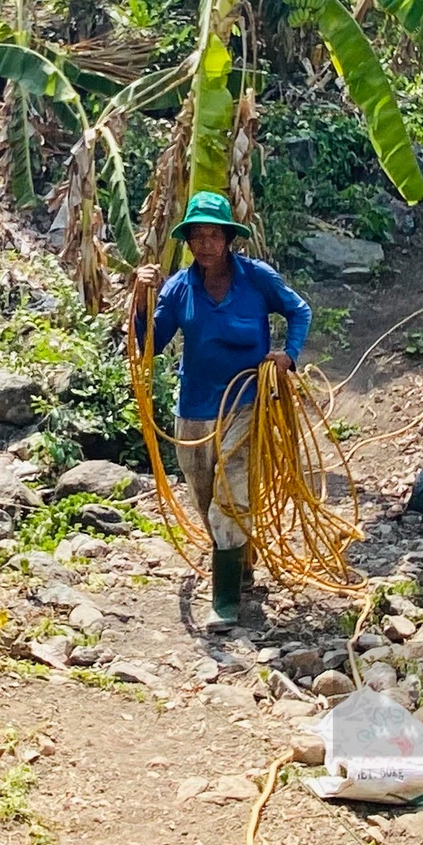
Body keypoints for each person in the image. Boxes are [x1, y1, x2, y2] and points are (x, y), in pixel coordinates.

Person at [134, 190, 312, 631]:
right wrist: (140, 299)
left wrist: (287, 354)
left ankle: (225, 603)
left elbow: (299, 310)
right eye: (198, 236)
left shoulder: (256, 278)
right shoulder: (178, 288)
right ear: (189, 241)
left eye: (215, 236)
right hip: (194, 410)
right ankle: (239, 558)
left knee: (230, 497)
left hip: (247, 404)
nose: (207, 244)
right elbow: (147, 345)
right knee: (204, 496)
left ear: (229, 239)